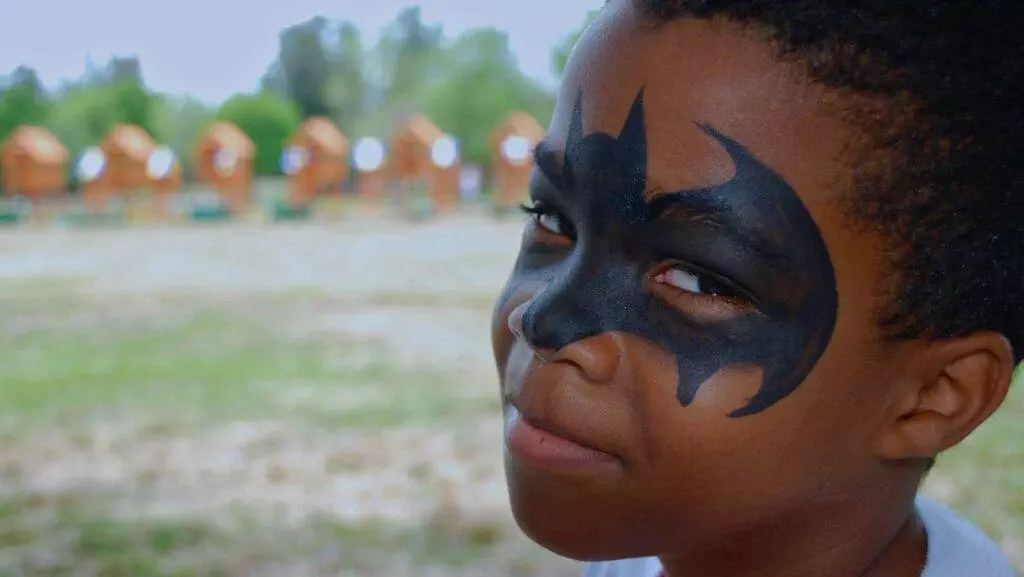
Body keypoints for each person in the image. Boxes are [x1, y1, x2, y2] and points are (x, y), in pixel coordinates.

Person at [490, 1, 1022, 575]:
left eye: (695, 279)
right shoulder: (642, 550)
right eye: (552, 218)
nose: (541, 318)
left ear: (935, 394)